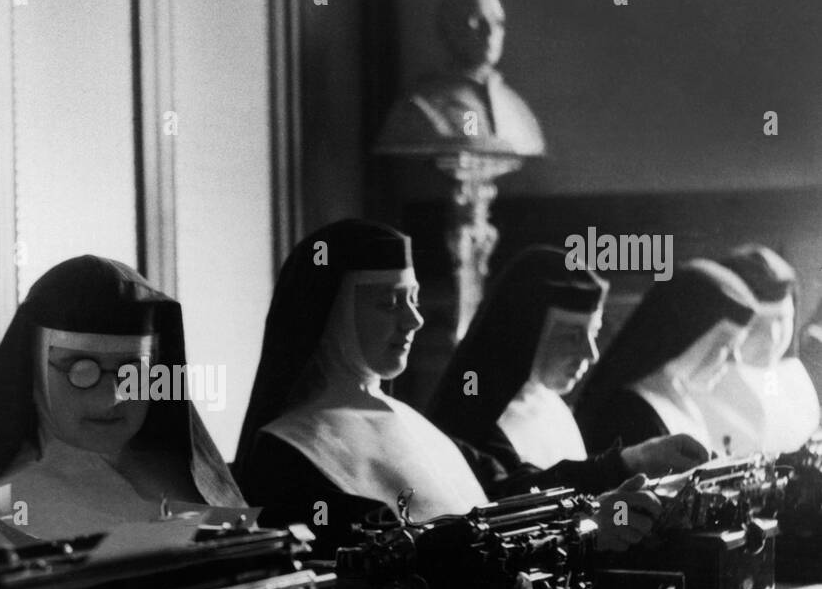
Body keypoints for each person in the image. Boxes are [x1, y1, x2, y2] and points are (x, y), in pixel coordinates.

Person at [234, 220, 660, 553]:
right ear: (330, 313)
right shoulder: (285, 454)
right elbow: (413, 563)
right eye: (389, 303)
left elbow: (505, 493)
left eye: (414, 299)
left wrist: (620, 468)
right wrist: (581, 528)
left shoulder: (409, 420)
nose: (415, 321)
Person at [0, 256, 244, 539]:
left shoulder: (188, 480)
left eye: (132, 372)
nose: (110, 399)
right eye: (80, 372)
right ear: (34, 371)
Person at [429, 245, 708, 475]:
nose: (590, 354)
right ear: (526, 335)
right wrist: (632, 460)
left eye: (594, 334)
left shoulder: (554, 406)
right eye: (572, 337)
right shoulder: (474, 422)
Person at [576, 260, 758, 453]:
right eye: (725, 344)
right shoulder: (628, 413)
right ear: (684, 335)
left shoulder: (677, 392)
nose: (734, 359)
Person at [374, 0, 545, 157]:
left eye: (498, 22)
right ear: (447, 30)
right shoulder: (418, 110)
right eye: (477, 21)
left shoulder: (517, 109)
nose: (490, 32)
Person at [689, 245, 820, 455]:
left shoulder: (791, 372)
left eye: (782, 319)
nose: (773, 337)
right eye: (757, 324)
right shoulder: (704, 381)